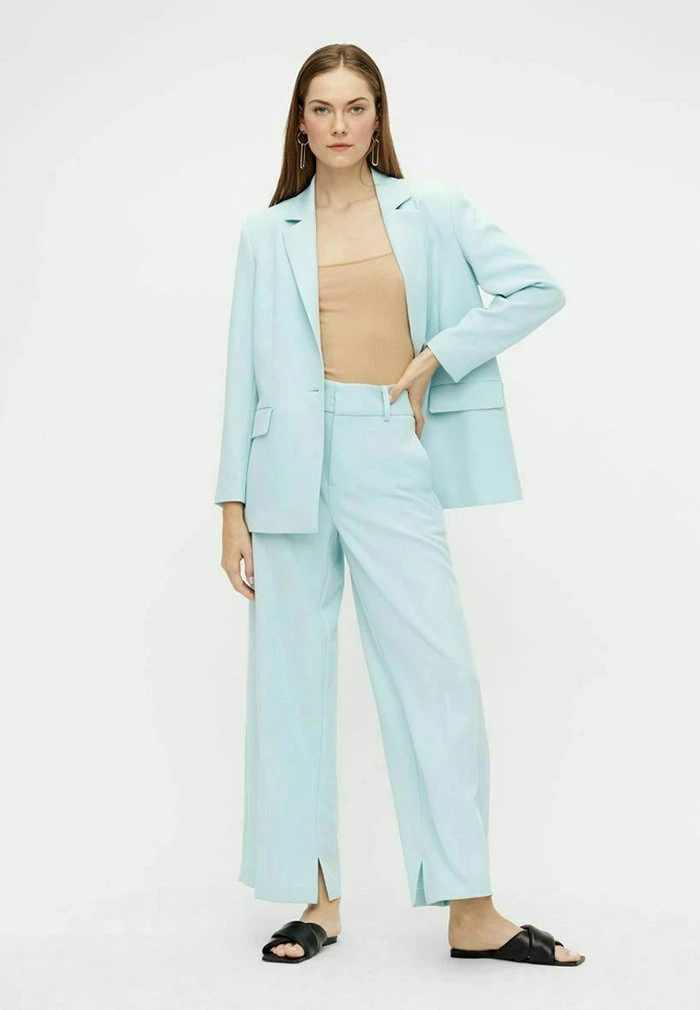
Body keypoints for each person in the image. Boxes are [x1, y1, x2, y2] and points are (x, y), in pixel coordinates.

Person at [215, 43, 585, 967]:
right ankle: (318, 900)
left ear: (378, 115)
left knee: (437, 675)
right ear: (300, 124)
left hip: (386, 441)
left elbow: (537, 287)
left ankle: (472, 909)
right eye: (322, 108)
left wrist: (437, 356)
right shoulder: (266, 233)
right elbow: (241, 372)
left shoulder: (434, 209)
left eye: (355, 106)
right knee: (292, 682)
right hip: (285, 467)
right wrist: (231, 503)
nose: (339, 124)